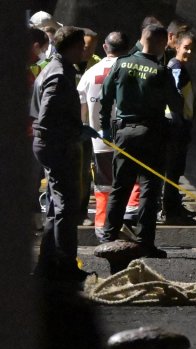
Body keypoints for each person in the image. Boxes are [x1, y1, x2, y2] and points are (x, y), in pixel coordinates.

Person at [98, 24, 183, 257]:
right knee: (149, 189)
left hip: (124, 133)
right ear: (160, 43)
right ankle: (145, 241)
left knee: (120, 187)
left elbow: (105, 98)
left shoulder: (121, 63)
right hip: (152, 133)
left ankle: (109, 236)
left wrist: (106, 128)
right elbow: (176, 105)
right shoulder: (161, 70)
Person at [30, 25, 89, 283]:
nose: (84, 52)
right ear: (74, 47)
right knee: (66, 205)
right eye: (82, 47)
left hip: (51, 143)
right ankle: (66, 265)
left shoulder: (55, 68)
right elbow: (47, 116)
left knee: (56, 206)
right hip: (56, 145)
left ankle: (48, 263)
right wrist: (74, 130)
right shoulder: (58, 74)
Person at [77, 30, 128, 237]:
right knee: (127, 182)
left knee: (103, 184)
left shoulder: (91, 73)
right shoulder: (129, 69)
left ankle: (101, 224)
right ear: (126, 49)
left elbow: (82, 108)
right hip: (126, 138)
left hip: (98, 140)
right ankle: (122, 224)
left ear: (105, 47)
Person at [160, 27, 196, 223]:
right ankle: (170, 210)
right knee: (173, 170)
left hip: (179, 124)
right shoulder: (176, 67)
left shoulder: (178, 66)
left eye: (192, 49)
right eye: (186, 48)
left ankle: (173, 207)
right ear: (176, 45)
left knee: (175, 170)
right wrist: (178, 123)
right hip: (176, 126)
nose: (189, 52)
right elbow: (174, 94)